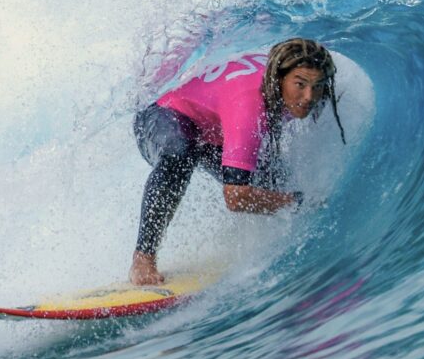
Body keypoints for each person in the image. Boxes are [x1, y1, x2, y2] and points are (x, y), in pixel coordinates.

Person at [130, 37, 346, 285]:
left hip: (213, 130)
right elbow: (236, 197)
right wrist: (296, 202)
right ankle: (143, 259)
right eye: (300, 85)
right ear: (279, 79)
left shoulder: (293, 84)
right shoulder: (249, 104)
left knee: (273, 181)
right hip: (163, 115)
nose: (309, 96)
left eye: (317, 86)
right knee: (179, 157)